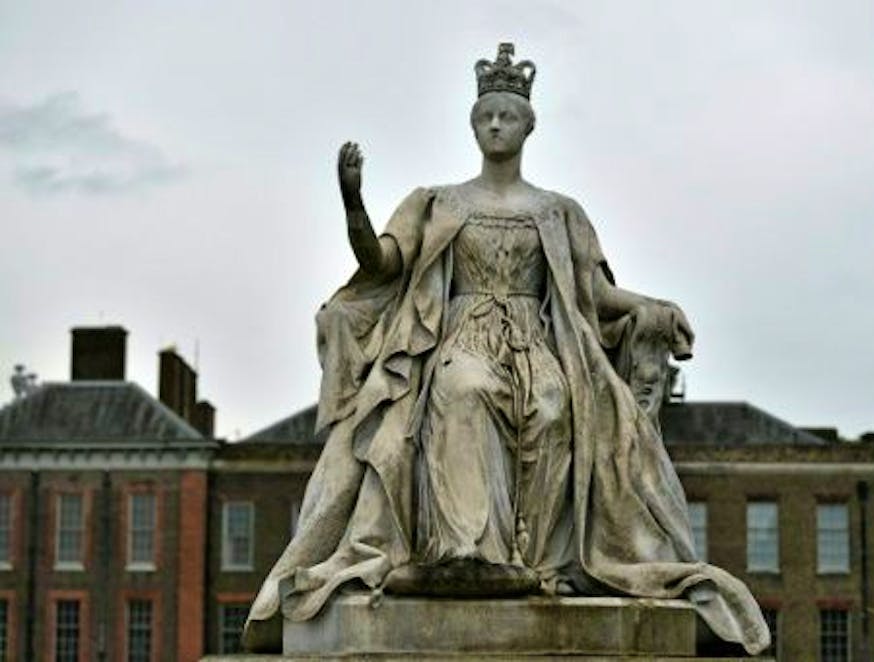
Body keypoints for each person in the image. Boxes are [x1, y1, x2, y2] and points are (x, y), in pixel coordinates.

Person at [244, 43, 769, 655]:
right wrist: (352, 201)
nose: (496, 124)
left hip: (536, 344)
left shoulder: (558, 212)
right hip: (460, 336)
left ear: (528, 125)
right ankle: (464, 552)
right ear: (473, 125)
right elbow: (381, 264)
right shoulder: (436, 202)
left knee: (552, 407)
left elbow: (594, 294)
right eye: (486, 116)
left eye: (507, 116)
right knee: (465, 389)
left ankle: (535, 562)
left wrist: (654, 307)